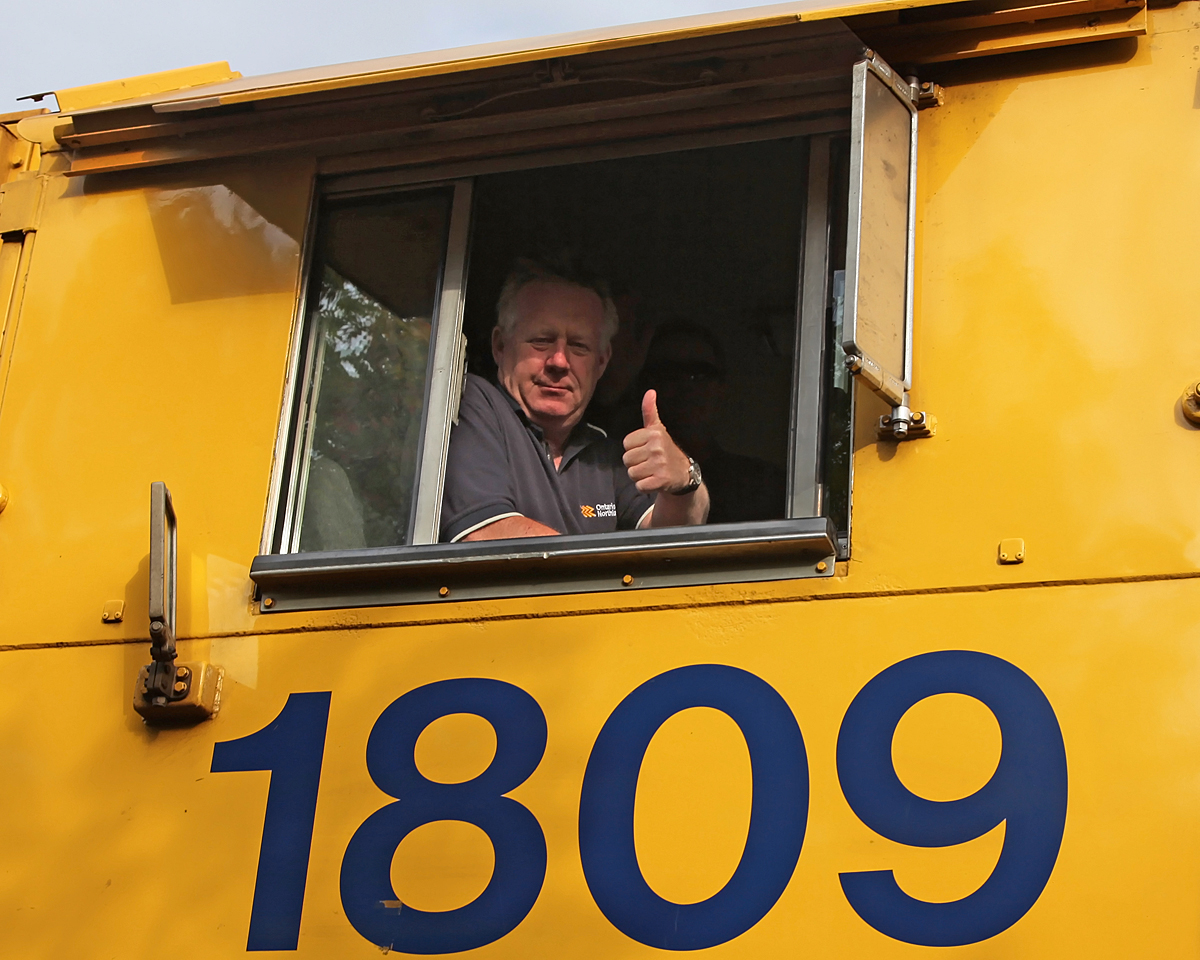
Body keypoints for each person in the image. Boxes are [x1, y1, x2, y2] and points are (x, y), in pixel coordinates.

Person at [439, 257, 709, 543]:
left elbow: (671, 539)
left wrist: (684, 480)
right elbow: (488, 539)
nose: (559, 361)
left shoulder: (605, 454)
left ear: (602, 362)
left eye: (579, 346)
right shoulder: (472, 404)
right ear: (500, 346)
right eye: (541, 340)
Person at [641, 321, 786, 524]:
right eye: (669, 373)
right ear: (648, 384)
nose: (685, 385)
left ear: (722, 388)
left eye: (700, 374)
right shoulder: (618, 480)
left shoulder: (765, 486)